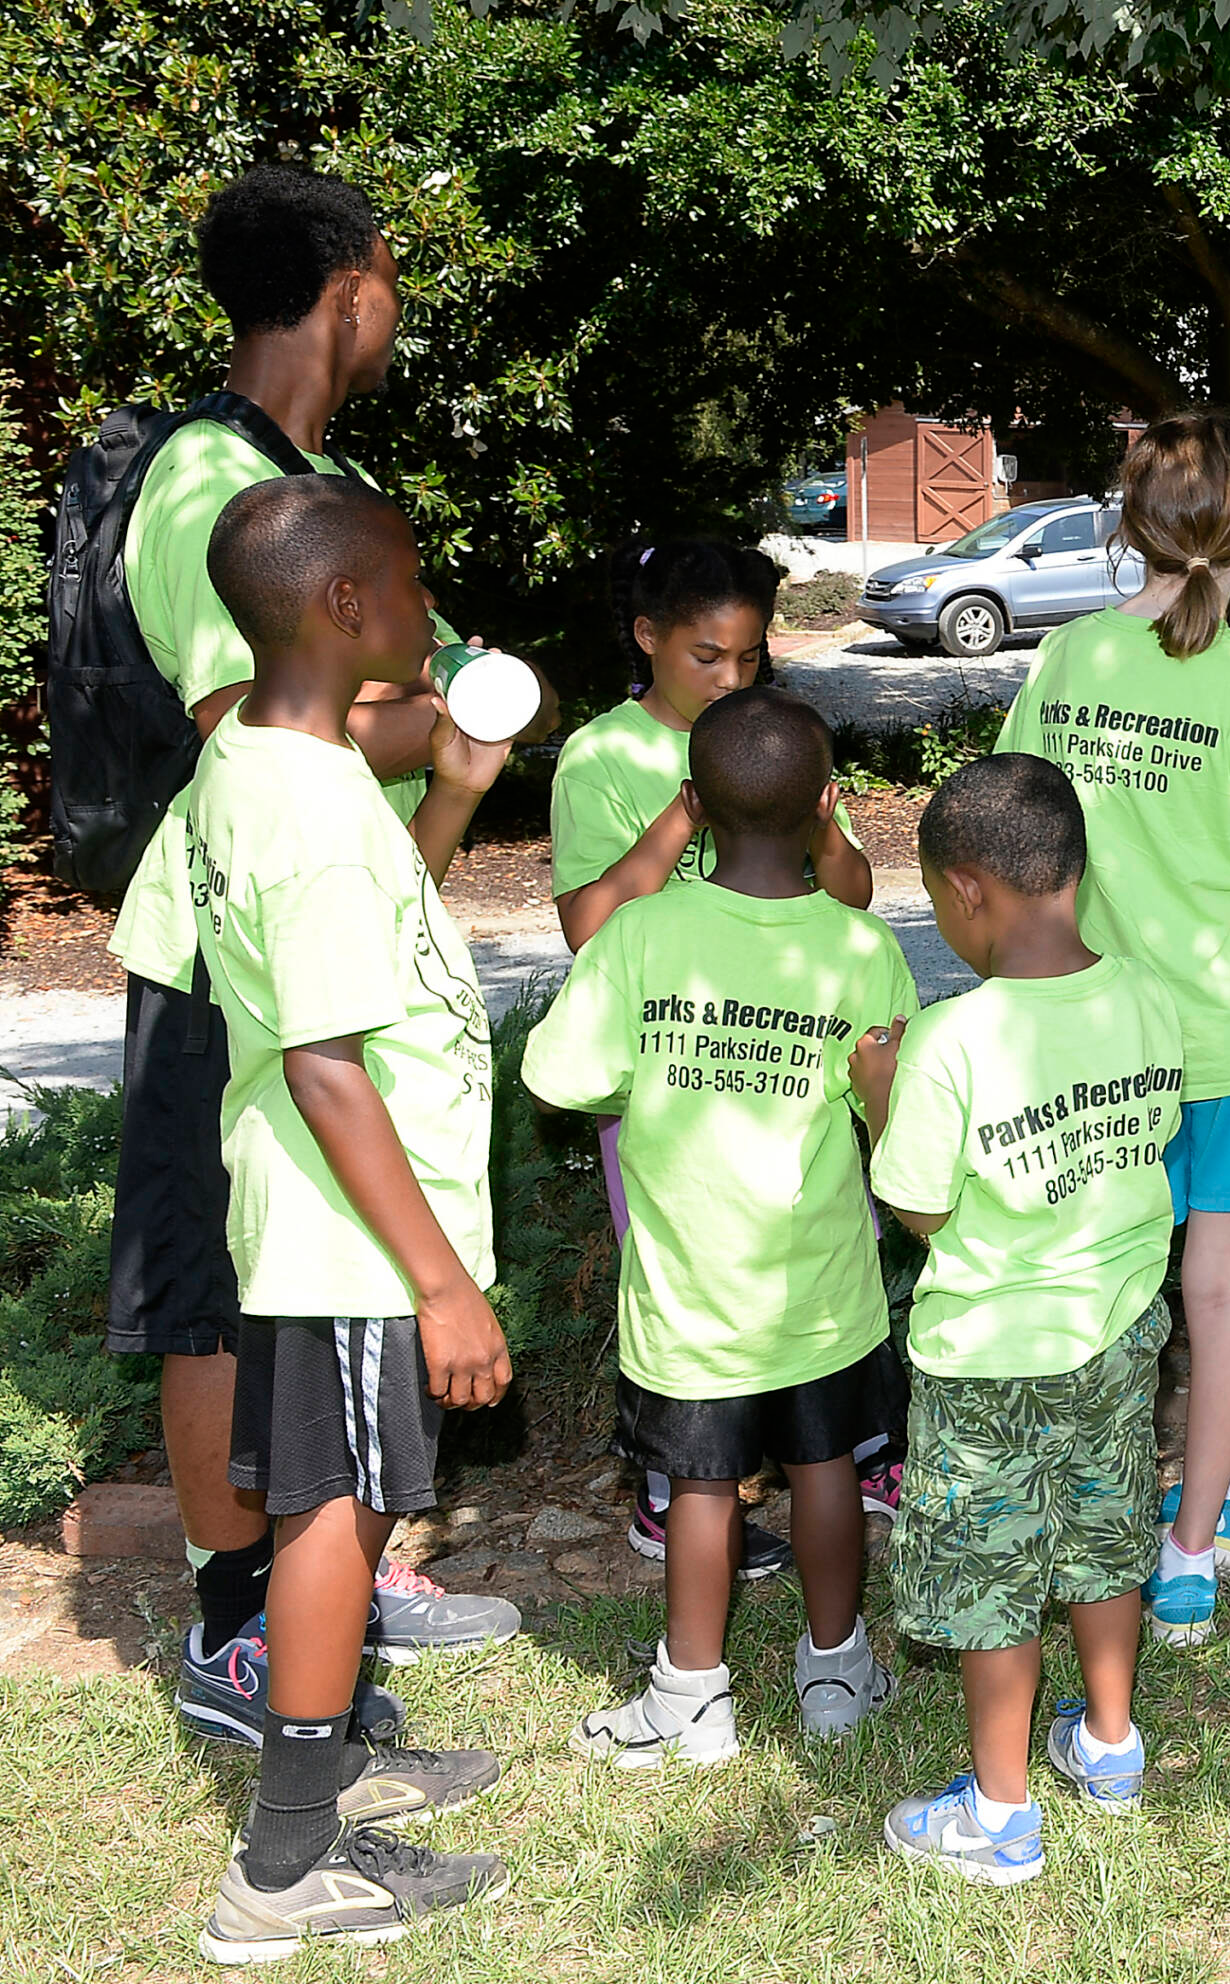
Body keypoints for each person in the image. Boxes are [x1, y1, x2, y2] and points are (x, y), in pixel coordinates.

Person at [105, 162, 532, 1757]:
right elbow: (270, 737)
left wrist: (439, 741)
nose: (400, 309)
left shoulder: (306, 471)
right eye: (397, 276)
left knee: (287, 1305)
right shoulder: (209, 480)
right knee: (229, 1290)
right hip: (232, 968)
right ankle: (245, 1621)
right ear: (351, 279)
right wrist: (443, 717)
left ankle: (322, 1570)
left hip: (297, 948)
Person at [188, 476, 516, 1961]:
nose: (426, 612)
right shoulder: (311, 809)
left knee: (358, 1495)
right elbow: (324, 1064)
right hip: (354, 1233)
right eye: (406, 585)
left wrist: (446, 793)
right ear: (342, 607)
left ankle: (325, 1772)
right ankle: (283, 1865)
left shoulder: (265, 764)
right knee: (341, 1509)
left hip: (341, 1222)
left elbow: (358, 968)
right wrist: (443, 1283)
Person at [994, 410, 1230, 1644]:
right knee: (1228, 1294)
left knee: (1137, 1286)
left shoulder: (1075, 655)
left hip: (1107, 1040)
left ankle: (1212, 1495)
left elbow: (1019, 833)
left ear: (1126, 523)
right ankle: (1186, 1550)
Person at [522, 688, 911, 1764]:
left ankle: (689, 1699)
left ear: (689, 803)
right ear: (828, 807)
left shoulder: (641, 936)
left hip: (687, 1291)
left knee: (702, 1487)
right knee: (826, 1467)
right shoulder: (858, 946)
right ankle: (837, 1673)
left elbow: (557, 1076)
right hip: (823, 1283)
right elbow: (892, 1103)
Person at [856, 754, 1186, 1883]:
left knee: (995, 1578)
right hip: (1120, 1332)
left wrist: (877, 1097)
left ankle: (999, 1817)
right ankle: (1108, 1745)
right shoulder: (1147, 994)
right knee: (1103, 1539)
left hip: (988, 1359)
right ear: (1074, 874)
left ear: (964, 891)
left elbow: (921, 1204)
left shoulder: (953, 1040)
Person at [548, 539, 877, 1570]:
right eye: (707, 658)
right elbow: (588, 928)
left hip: (789, 1072)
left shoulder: (778, 739)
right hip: (665, 1081)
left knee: (804, 1248)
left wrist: (816, 821)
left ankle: (825, 1442)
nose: (732, 680)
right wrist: (684, 812)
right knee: (682, 1280)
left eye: (749, 658)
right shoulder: (602, 757)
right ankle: (673, 1485)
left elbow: (854, 894)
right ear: (647, 641)